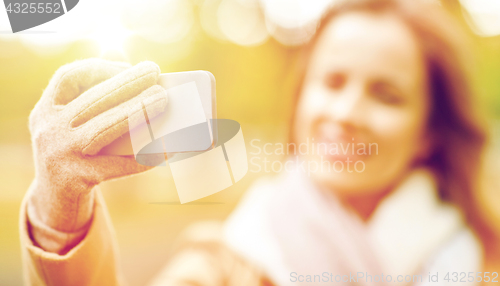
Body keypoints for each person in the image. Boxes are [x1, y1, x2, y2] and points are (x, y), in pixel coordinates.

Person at [20, 0, 497, 285]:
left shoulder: (480, 259)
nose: (346, 114)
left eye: (386, 94)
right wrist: (60, 215)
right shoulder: (231, 259)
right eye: (332, 82)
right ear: (301, 98)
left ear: (428, 134)